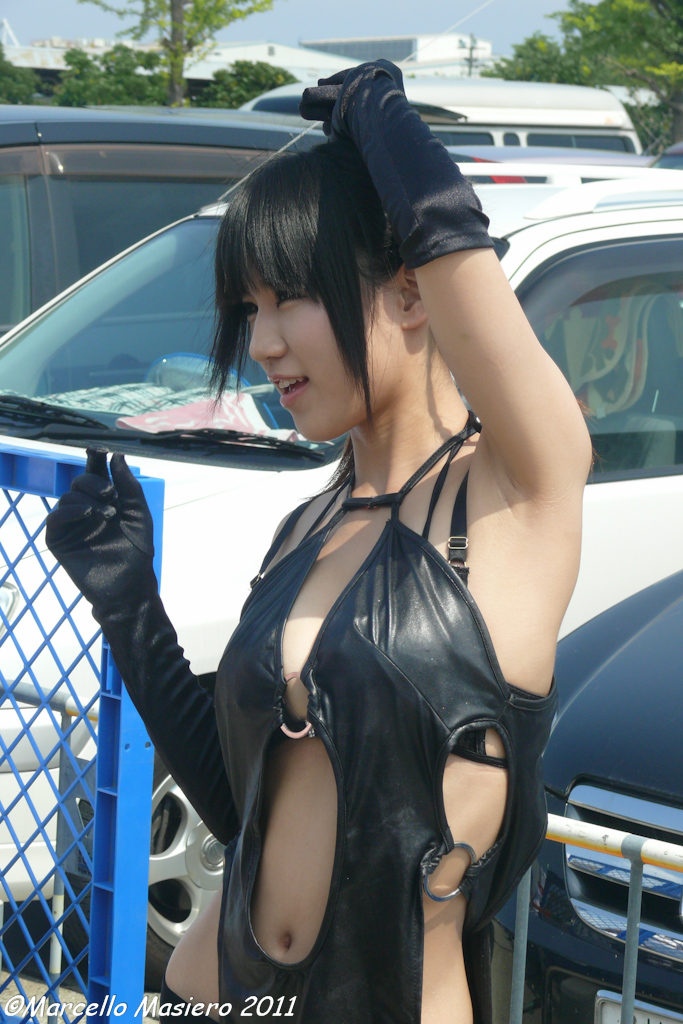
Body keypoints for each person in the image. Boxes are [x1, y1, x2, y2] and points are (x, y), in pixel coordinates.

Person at [45, 61, 592, 1024]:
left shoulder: (512, 496)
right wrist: (130, 609)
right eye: (248, 307)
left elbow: (457, 254)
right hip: (216, 999)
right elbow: (244, 811)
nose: (261, 342)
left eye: (290, 296)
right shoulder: (307, 526)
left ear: (411, 294)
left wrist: (383, 121)